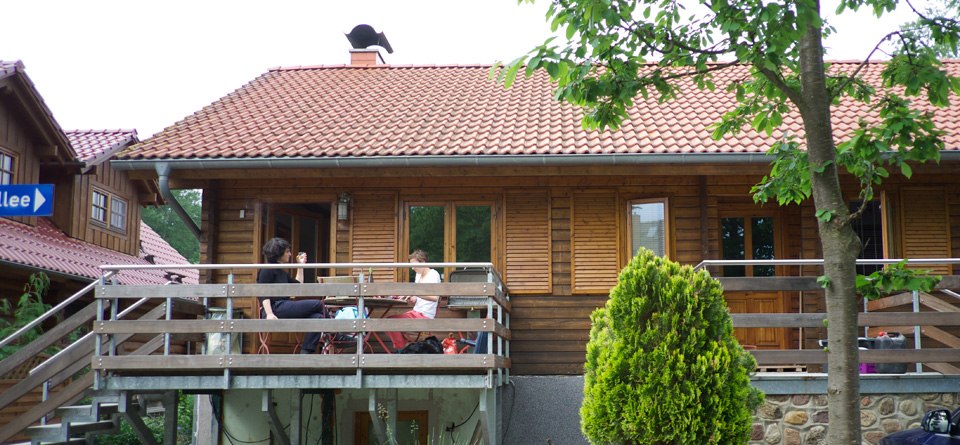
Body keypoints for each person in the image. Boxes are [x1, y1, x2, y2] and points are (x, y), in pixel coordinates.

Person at [258, 237, 326, 354]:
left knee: (318, 317)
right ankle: (336, 335)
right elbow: (263, 293)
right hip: (274, 308)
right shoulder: (267, 270)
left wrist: (301, 265)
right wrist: (269, 313)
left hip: (284, 306)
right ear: (279, 253)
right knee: (318, 304)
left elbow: (298, 286)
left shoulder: (281, 272)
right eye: (287, 251)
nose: (290, 254)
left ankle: (305, 353)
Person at [386, 249, 442, 350]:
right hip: (415, 312)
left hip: (425, 316)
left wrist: (416, 293)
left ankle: (402, 349)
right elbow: (417, 297)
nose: (412, 268)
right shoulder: (418, 275)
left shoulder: (433, 274)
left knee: (390, 322)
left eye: (414, 265)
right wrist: (411, 298)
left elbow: (434, 298)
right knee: (388, 321)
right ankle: (404, 348)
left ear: (423, 262)